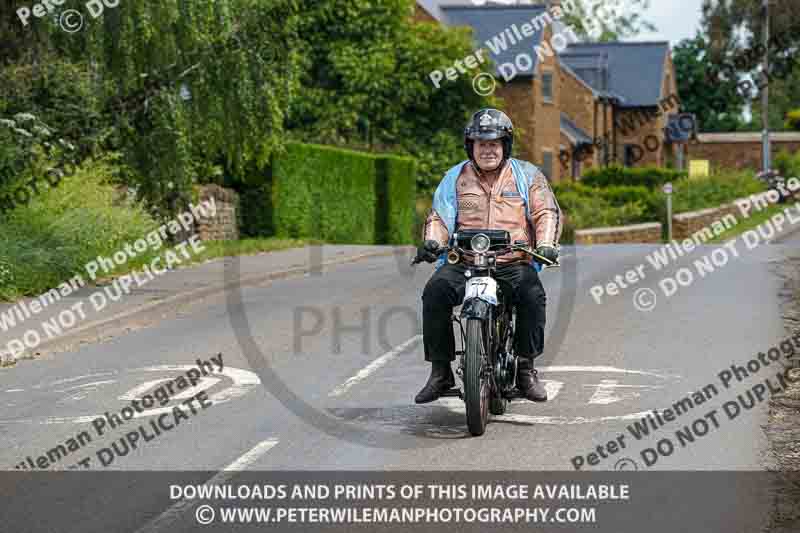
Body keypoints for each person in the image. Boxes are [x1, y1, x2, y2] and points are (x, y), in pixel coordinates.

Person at [414, 108, 563, 404]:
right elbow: (440, 217)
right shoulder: (455, 177)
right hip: (465, 261)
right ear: (471, 146)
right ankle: (440, 371)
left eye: (494, 143)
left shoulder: (528, 175)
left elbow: (546, 211)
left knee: (533, 295)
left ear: (505, 146)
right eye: (481, 143)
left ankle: (525, 368)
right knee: (434, 292)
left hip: (512, 261)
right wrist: (432, 241)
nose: (488, 150)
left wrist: (546, 244)